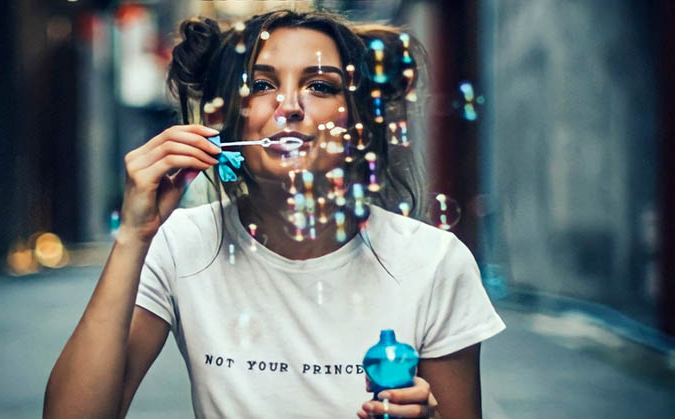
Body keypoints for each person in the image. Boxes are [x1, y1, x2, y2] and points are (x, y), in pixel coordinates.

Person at [44, 9, 505, 419]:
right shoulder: (179, 242)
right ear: (231, 122)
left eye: (320, 86)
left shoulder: (434, 260)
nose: (289, 106)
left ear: (358, 128)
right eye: (262, 85)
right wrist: (133, 235)